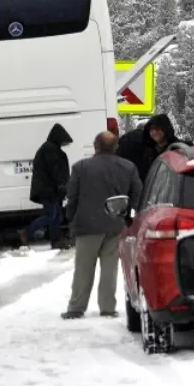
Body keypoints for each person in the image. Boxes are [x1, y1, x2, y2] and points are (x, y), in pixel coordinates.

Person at [63, 130, 143, 320]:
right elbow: (138, 194)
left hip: (87, 225)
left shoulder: (80, 167)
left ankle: (76, 307)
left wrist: (71, 219)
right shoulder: (128, 167)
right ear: (116, 147)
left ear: (95, 145)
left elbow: (72, 197)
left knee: (83, 268)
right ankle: (107, 307)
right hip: (115, 224)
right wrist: (129, 215)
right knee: (110, 268)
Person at [20, 123, 72, 248]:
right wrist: (61, 186)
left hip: (49, 190)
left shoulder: (49, 149)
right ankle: (27, 232)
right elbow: (56, 171)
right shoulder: (51, 150)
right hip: (48, 190)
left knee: (56, 216)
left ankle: (55, 240)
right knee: (51, 216)